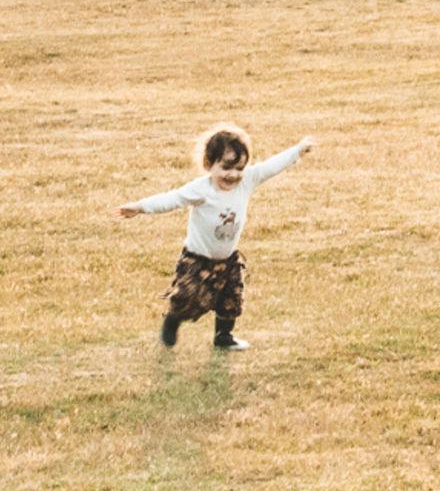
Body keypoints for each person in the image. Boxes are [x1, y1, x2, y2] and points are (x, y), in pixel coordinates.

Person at [118, 124, 312, 349]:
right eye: (226, 167)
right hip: (197, 259)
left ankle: (223, 337)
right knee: (189, 298)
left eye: (239, 168)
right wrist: (141, 207)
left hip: (228, 259)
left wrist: (298, 150)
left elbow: (272, 166)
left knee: (231, 300)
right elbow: (173, 198)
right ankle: (173, 320)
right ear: (210, 165)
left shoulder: (247, 181)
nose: (233, 175)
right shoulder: (202, 189)